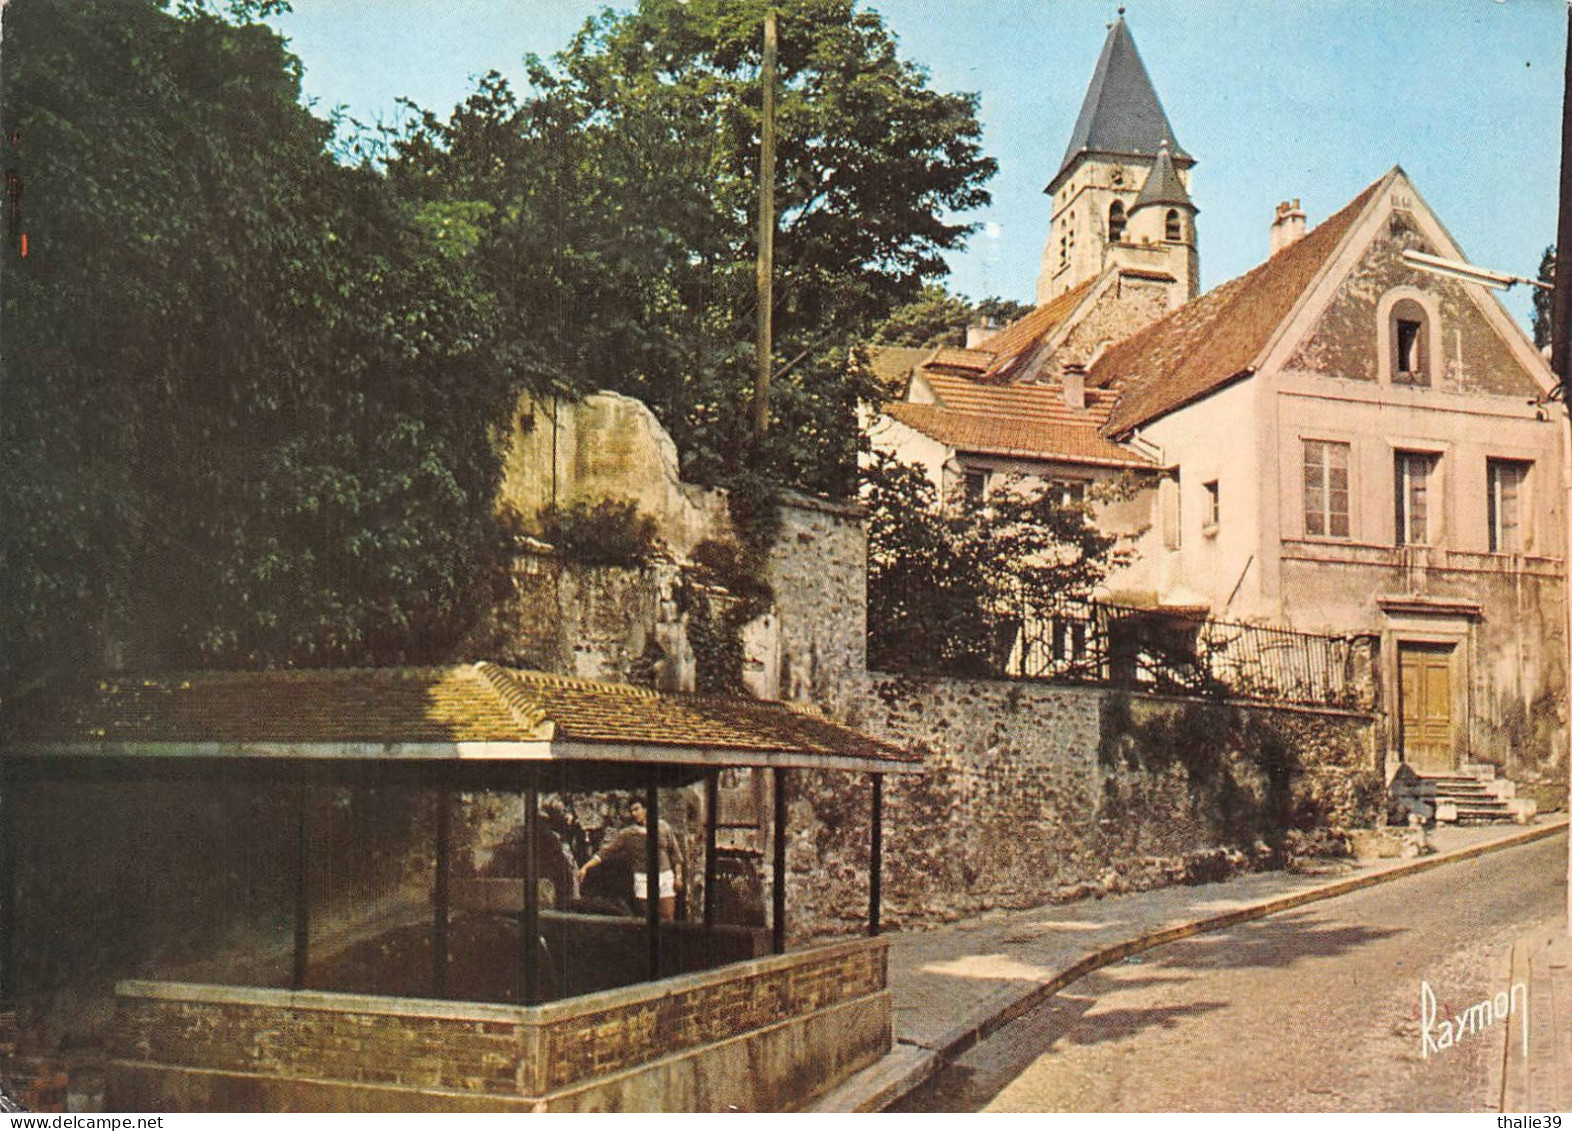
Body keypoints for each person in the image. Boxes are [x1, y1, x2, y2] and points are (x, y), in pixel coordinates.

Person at [577, 799, 685, 920]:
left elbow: (675, 853)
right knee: (646, 917)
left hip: (664, 875)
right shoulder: (628, 833)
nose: (634, 813)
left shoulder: (663, 826)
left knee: (667, 916)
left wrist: (678, 876)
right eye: (632, 810)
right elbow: (605, 852)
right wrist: (586, 866)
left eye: (637, 809)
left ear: (645, 809)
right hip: (642, 878)